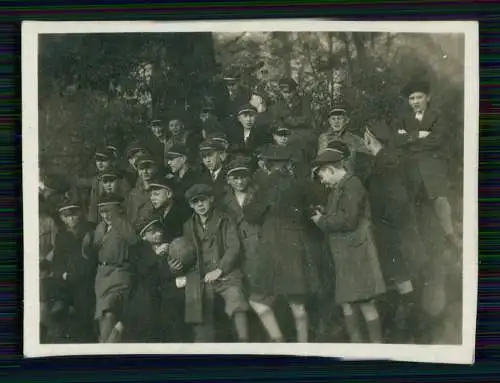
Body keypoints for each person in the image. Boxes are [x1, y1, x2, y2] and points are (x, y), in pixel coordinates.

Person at [243, 146, 320, 343]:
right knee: (298, 304)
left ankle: (278, 340)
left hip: (273, 247)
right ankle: (304, 349)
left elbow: (251, 215)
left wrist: (247, 202)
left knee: (256, 300)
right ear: (288, 163)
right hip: (297, 246)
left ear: (268, 164)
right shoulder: (300, 184)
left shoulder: (266, 185)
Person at [310, 149, 386, 343]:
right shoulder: (340, 187)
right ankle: (357, 346)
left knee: (365, 302)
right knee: (347, 302)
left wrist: (321, 221)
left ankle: (376, 347)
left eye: (322, 175)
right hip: (346, 253)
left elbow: (348, 220)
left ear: (330, 169)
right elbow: (341, 213)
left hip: (356, 253)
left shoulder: (352, 185)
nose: (323, 181)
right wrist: (325, 213)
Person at [363, 121, 428, 343]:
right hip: (393, 233)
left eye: (366, 135)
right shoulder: (384, 161)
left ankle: (414, 333)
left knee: (402, 281)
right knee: (399, 280)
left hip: (394, 235)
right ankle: (409, 330)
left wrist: (384, 221)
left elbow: (397, 201)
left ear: (370, 138)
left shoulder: (386, 164)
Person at [394, 78, 461, 249]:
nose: (415, 102)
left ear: (427, 98)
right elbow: (397, 141)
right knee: (415, 208)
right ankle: (425, 245)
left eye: (419, 97)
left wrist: (410, 140)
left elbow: (437, 139)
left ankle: (452, 238)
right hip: (412, 170)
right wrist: (418, 135)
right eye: (412, 99)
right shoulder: (404, 119)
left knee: (441, 202)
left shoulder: (437, 116)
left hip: (433, 168)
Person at [182, 184, 250, 342]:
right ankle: (203, 348)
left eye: (203, 200)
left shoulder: (226, 219)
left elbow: (234, 247)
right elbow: (187, 253)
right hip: (201, 277)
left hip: (226, 274)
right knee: (197, 303)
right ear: (191, 205)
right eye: (195, 202)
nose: (200, 205)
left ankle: (245, 344)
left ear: (211, 200)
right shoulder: (188, 225)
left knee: (236, 299)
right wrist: (180, 269)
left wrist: (220, 269)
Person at [220, 156, 268, 342]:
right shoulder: (224, 201)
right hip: (236, 253)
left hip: (256, 249)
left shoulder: (258, 195)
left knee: (260, 295)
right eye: (235, 178)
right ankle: (244, 340)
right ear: (228, 180)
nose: (239, 181)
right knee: (240, 296)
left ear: (249, 178)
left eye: (243, 177)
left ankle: (264, 338)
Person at [88, 194, 138, 343]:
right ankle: (107, 345)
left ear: (118, 210)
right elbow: (94, 249)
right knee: (104, 316)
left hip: (119, 274)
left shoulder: (125, 224)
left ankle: (106, 347)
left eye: (110, 210)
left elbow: (134, 241)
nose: (107, 215)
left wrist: (118, 222)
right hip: (102, 277)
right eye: (103, 211)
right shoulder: (100, 227)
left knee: (109, 311)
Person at [52, 198, 96, 343]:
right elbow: (57, 260)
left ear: (80, 214)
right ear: (62, 218)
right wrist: (63, 274)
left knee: (83, 305)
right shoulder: (61, 234)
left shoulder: (91, 229)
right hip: (67, 280)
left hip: (87, 279)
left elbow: (92, 259)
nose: (70, 218)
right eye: (66, 215)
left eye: (73, 214)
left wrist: (77, 274)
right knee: (58, 309)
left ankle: (83, 337)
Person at [317, 103, 372, 181]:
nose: (336, 122)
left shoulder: (354, 138)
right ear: (329, 121)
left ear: (346, 121)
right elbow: (321, 159)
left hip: (349, 179)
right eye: (333, 119)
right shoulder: (324, 138)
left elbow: (370, 150)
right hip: (331, 178)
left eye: (339, 118)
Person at [269, 76, 317, 155]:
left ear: (295, 91)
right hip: (284, 135)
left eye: (290, 92)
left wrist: (287, 119)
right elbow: (276, 123)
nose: (287, 95)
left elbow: (306, 119)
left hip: (303, 133)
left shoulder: (304, 101)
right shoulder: (278, 104)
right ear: (280, 91)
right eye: (284, 92)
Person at [166, 145, 210, 209]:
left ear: (183, 159)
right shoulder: (171, 180)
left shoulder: (196, 179)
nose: (168, 162)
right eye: (168, 160)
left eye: (172, 159)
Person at [125, 153, 158, 226]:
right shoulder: (133, 194)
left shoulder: (161, 190)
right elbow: (130, 218)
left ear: (155, 168)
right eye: (141, 169)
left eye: (148, 168)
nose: (145, 172)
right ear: (138, 171)